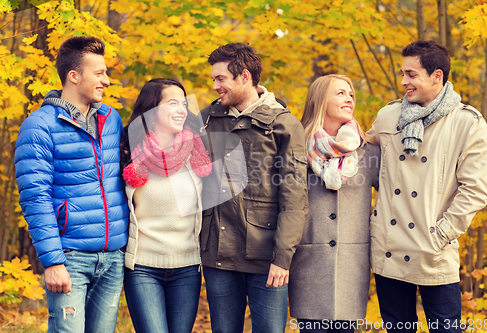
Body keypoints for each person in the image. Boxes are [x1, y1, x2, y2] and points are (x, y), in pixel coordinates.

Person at [368, 40, 487, 333]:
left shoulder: (467, 124)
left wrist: (441, 235)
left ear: (437, 76)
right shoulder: (389, 116)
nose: (403, 82)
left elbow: (475, 191)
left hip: (434, 252)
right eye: (402, 73)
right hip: (390, 250)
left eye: (411, 75)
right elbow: (361, 154)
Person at [14, 36, 129, 332]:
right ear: (74, 76)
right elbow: (35, 197)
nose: (107, 80)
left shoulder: (111, 119)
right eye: (100, 73)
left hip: (113, 256)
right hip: (70, 258)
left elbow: (158, 135)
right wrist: (52, 262)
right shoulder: (39, 126)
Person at [200, 42, 309, 333]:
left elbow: (294, 199)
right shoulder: (207, 121)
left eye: (220, 79)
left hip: (267, 260)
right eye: (213, 79)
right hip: (218, 255)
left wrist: (282, 259)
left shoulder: (284, 125)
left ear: (244, 77)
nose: (214, 86)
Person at [288, 74, 380, 333]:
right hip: (308, 266)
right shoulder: (297, 149)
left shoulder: (369, 151)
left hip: (351, 267)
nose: (349, 98)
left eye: (351, 93)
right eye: (340, 93)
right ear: (320, 100)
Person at [120, 78, 212, 333]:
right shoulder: (129, 149)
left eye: (184, 103)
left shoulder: (195, 150)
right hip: (143, 268)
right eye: (173, 103)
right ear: (152, 108)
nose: (182, 109)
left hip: (187, 268)